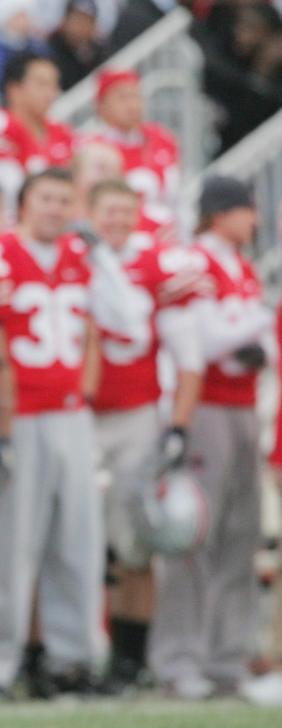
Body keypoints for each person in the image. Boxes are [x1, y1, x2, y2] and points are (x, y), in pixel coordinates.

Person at [0, 168, 145, 700]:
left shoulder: (81, 258)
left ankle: (76, 660)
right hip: (22, 417)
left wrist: (103, 257)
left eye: (66, 199)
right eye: (47, 198)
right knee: (15, 547)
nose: (56, 209)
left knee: (80, 544)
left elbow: (128, 321)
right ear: (24, 203)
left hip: (71, 415)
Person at [150, 176, 273, 700]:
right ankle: (180, 658)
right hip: (204, 409)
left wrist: (246, 327)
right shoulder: (196, 262)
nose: (256, 220)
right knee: (194, 536)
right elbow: (210, 340)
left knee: (240, 536)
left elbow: (253, 339)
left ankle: (228, 657)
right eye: (247, 210)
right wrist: (253, 323)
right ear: (220, 212)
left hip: (244, 406)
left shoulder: (240, 267)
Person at [82, 179, 208, 691]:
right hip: (79, 416)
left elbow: (190, 357)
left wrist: (177, 425)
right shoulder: (73, 257)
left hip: (136, 416)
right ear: (91, 212)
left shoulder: (157, 265)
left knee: (133, 543)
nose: (115, 220)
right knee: (77, 543)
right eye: (106, 211)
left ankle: (130, 661)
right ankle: (67, 655)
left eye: (123, 212)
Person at [0, 51, 75, 220]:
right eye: (42, 84)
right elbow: (6, 194)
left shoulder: (62, 131)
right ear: (14, 89)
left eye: (54, 85)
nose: (51, 93)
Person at [85, 69, 181, 237]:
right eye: (122, 98)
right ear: (101, 105)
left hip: (167, 233)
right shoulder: (93, 149)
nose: (132, 105)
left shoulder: (162, 139)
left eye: (136, 96)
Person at [46, 0, 107, 90]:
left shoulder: (99, 51)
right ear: (65, 20)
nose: (82, 26)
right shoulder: (49, 50)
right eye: (77, 19)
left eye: (87, 21)